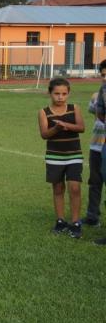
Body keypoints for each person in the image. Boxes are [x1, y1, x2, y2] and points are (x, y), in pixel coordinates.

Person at [39, 77, 85, 239]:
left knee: (75, 188)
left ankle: (76, 222)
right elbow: (44, 134)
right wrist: (56, 128)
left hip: (74, 155)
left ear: (68, 94)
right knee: (58, 188)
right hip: (54, 156)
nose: (60, 97)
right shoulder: (44, 112)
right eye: (56, 93)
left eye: (64, 94)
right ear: (50, 93)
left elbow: (81, 128)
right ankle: (60, 220)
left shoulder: (74, 108)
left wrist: (66, 125)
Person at [83, 60, 106, 227]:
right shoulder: (96, 96)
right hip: (96, 145)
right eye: (103, 75)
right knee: (95, 181)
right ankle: (92, 216)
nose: (105, 78)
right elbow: (97, 118)